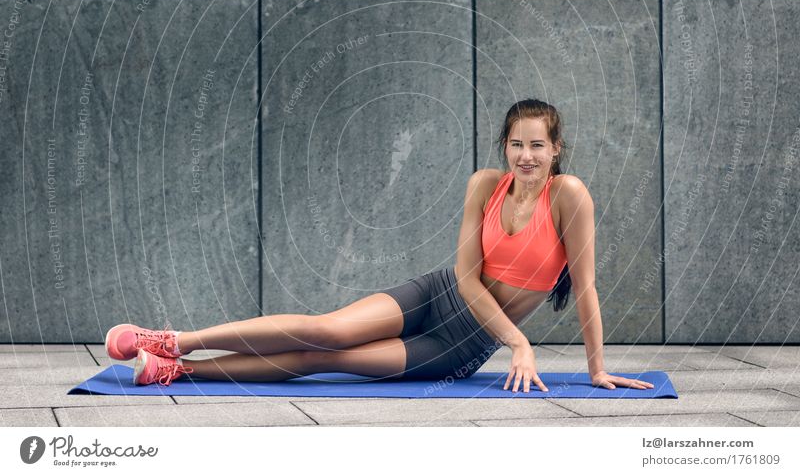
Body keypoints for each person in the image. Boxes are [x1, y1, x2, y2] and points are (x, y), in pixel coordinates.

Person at [105, 98, 654, 393]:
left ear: (556, 149)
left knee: (327, 358)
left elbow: (586, 289)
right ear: (504, 147)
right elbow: (465, 277)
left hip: (461, 345)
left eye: (538, 145)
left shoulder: (569, 196)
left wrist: (595, 370)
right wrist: (521, 342)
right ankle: (177, 340)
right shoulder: (485, 184)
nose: (526, 156)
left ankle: (177, 372)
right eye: (517, 144)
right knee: (327, 328)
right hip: (438, 294)